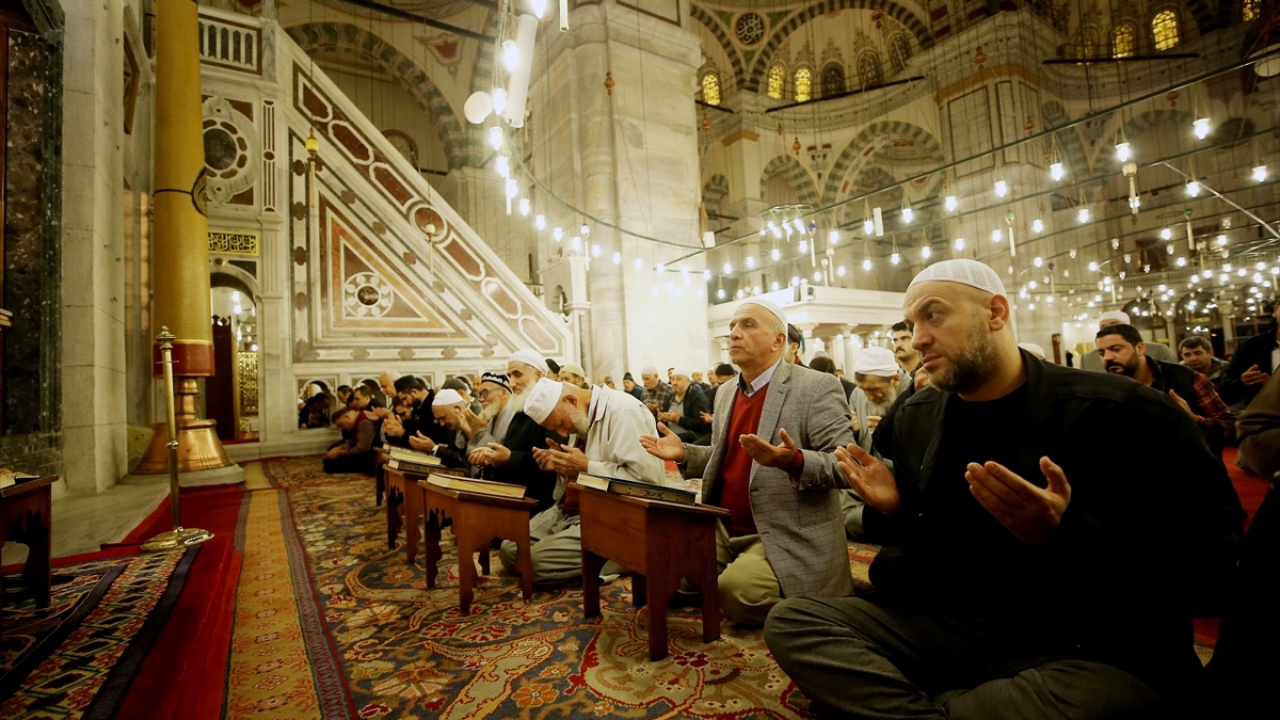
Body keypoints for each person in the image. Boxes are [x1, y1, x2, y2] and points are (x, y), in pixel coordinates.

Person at [764, 259, 1243, 719]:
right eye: (911, 323)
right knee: (794, 622)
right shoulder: (918, 417)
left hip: (1089, 641)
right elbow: (938, 538)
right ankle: (956, 703)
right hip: (963, 624)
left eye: (933, 315)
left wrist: (1067, 532)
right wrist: (899, 506)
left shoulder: (1124, 413)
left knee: (1104, 696)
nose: (918, 338)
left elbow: (1212, 572)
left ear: (995, 313)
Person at [641, 297, 854, 626]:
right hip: (725, 526)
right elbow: (725, 456)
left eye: (747, 325)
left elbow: (845, 466)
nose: (734, 334)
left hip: (784, 531)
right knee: (664, 566)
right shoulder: (726, 392)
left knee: (738, 593)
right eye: (732, 327)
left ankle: (810, 598)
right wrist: (684, 452)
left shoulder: (815, 387)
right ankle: (728, 573)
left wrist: (794, 461)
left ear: (778, 341)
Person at [498, 376, 666, 586]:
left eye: (560, 424)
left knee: (535, 563)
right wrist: (560, 466)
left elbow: (646, 484)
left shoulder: (623, 412)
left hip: (611, 515)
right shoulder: (580, 417)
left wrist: (586, 466)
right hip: (569, 511)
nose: (562, 433)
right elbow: (579, 474)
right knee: (509, 550)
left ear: (571, 400)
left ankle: (622, 558)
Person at [1096, 323, 1236, 457]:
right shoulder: (1104, 390)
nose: (1108, 358)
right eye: (1102, 353)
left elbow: (1231, 427)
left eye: (1116, 349)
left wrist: (1195, 420)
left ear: (1140, 348)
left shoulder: (1188, 379)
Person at [469, 352, 560, 512]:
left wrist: (509, 458)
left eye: (517, 375)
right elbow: (511, 451)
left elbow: (550, 466)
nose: (511, 383)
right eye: (510, 375)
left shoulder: (551, 412)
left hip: (536, 502)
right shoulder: (520, 411)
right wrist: (491, 457)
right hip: (512, 493)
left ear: (538, 376)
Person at [841, 347, 900, 541]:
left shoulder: (912, 397)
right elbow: (860, 445)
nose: (868, 396)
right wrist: (855, 432)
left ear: (895, 380)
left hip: (896, 484)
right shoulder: (858, 394)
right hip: (866, 475)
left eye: (874, 390)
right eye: (863, 389)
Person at [1219, 301, 1280, 408]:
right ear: (1275, 311)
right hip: (1265, 417)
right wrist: (1242, 382)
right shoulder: (1250, 347)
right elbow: (1225, 388)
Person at [1080, 310, 1175, 371]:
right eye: (1103, 327)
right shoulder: (1087, 359)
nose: (1108, 329)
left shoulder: (1158, 350)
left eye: (1114, 325)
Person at [658, 367, 711, 443]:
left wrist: (679, 420)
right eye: (672, 379)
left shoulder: (698, 398)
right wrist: (663, 418)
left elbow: (701, 423)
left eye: (679, 379)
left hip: (691, 440)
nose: (674, 383)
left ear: (688, 381)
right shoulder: (670, 397)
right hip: (670, 437)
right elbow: (666, 416)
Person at [323, 408, 379, 474]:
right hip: (366, 451)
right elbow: (354, 440)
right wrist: (339, 448)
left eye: (341, 425)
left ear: (347, 417)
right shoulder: (358, 419)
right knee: (330, 453)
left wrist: (339, 453)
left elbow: (362, 450)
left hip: (372, 456)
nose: (341, 429)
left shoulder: (364, 423)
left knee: (330, 464)